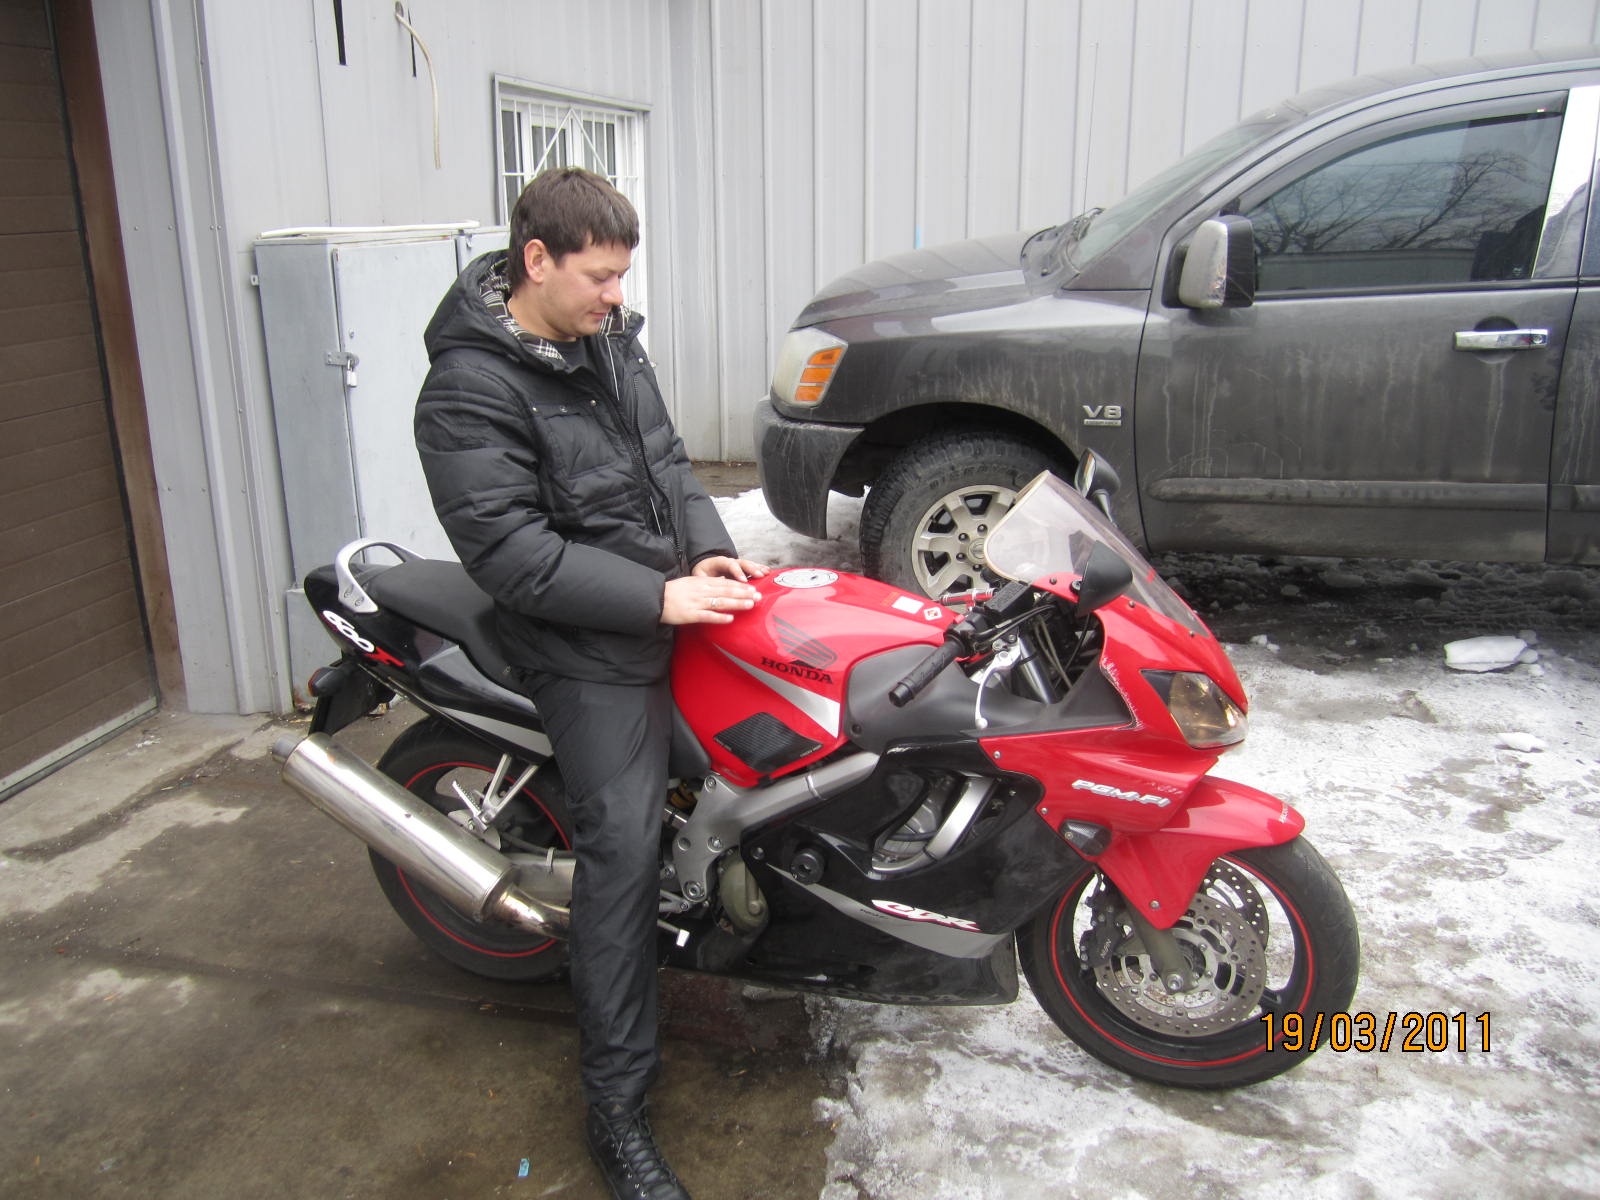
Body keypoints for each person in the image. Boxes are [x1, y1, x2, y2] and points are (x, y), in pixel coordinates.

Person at [414, 166, 762, 1200]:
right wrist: (657, 598)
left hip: (662, 596)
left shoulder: (607, 341)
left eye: (622, 276)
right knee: (624, 845)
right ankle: (615, 1108)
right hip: (577, 643)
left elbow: (667, 461)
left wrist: (705, 549)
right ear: (536, 261)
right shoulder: (467, 390)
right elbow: (512, 555)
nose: (617, 295)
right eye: (600, 276)